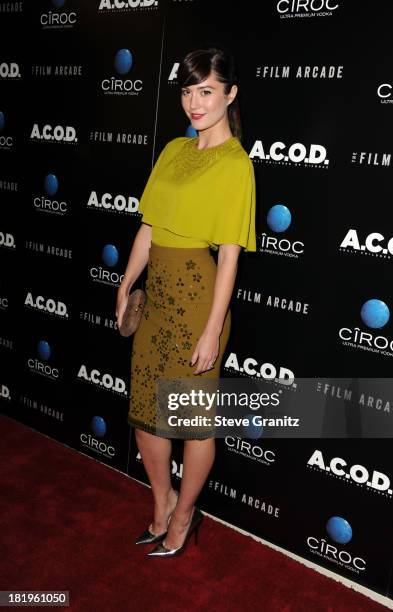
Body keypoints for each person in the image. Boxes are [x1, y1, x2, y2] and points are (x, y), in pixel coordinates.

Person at [116, 44, 256, 558]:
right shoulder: (174, 151)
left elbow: (230, 259)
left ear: (229, 94)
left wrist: (211, 329)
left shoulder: (237, 165)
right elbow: (148, 226)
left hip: (200, 299)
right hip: (158, 296)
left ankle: (185, 513)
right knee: (145, 415)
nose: (195, 104)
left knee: (193, 423)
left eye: (207, 92)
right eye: (187, 92)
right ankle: (162, 503)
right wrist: (128, 280)